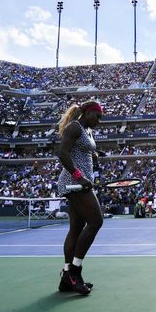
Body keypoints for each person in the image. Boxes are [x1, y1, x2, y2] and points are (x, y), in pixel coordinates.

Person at [55, 101, 104, 295]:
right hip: (73, 184)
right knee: (96, 222)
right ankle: (75, 271)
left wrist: (95, 154)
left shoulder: (88, 130)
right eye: (96, 116)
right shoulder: (74, 127)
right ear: (86, 113)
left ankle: (67, 277)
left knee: (75, 229)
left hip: (80, 183)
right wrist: (79, 176)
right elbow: (63, 153)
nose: (99, 121)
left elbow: (80, 151)